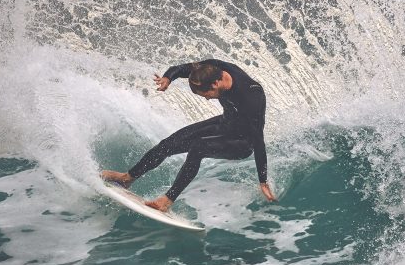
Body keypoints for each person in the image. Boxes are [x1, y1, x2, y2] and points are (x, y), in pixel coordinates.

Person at [102, 60, 277, 212]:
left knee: (198, 147)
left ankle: (166, 201)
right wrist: (168, 77)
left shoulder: (251, 96)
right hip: (225, 123)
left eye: (206, 95)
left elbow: (258, 140)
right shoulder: (211, 68)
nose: (207, 99)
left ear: (215, 84)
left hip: (243, 142)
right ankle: (127, 179)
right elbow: (183, 68)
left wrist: (263, 181)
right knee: (168, 144)